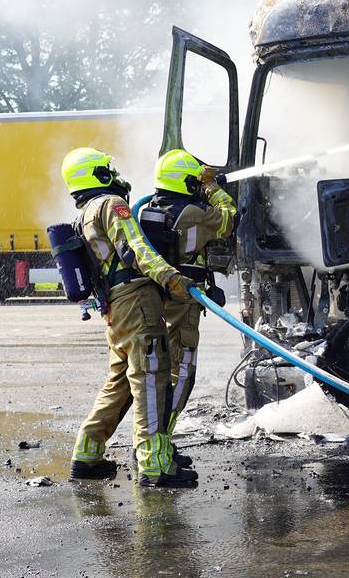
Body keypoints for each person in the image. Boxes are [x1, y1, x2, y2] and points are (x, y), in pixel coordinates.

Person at [60, 147, 199, 488]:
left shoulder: (84, 214)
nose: (117, 175)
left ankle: (88, 454)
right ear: (99, 175)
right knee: (150, 378)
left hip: (113, 308)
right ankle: (154, 466)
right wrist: (171, 278)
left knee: (119, 381)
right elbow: (135, 247)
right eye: (110, 170)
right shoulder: (111, 205)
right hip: (137, 303)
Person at [140, 149, 237, 459]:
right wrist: (211, 186)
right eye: (193, 180)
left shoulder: (152, 209)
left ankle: (153, 440)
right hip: (184, 303)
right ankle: (162, 442)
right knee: (182, 373)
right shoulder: (193, 214)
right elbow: (229, 217)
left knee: (157, 373)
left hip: (159, 297)